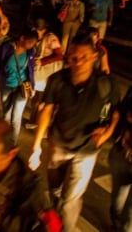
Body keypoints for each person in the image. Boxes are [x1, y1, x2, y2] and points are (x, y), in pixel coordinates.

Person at [29, 33, 121, 232]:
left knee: (70, 200)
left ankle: (64, 229)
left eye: (84, 57)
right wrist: (36, 146)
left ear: (94, 57)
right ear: (68, 57)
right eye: (73, 58)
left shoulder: (106, 84)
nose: (78, 63)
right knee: (53, 190)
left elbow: (116, 114)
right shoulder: (57, 80)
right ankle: (53, 219)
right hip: (59, 145)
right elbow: (46, 111)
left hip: (87, 151)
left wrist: (106, 133)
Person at [0, 27, 38, 145]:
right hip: (6, 84)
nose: (31, 45)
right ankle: (3, 140)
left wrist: (32, 85)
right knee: (6, 114)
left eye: (34, 43)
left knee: (16, 116)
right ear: (22, 38)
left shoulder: (30, 52)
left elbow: (30, 70)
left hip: (22, 87)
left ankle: (12, 143)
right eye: (30, 42)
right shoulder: (7, 48)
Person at [28, 19, 63, 128]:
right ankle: (33, 121)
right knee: (36, 99)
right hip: (38, 73)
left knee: (42, 101)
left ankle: (40, 124)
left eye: (36, 29)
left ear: (42, 30)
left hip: (47, 74)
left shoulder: (51, 38)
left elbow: (59, 55)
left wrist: (43, 61)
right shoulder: (37, 38)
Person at [109, 86, 132, 231]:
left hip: (122, 152)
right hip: (122, 153)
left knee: (128, 216)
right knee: (117, 202)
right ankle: (117, 226)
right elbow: (121, 111)